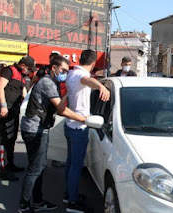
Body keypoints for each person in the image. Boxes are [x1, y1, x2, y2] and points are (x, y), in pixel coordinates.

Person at [18, 55, 86, 213]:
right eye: (62, 70)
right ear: (54, 68)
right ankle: (24, 205)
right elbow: (61, 108)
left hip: (36, 127)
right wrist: (82, 118)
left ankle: (38, 201)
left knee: (38, 167)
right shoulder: (48, 82)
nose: (64, 73)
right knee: (36, 168)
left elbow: (57, 108)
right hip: (36, 129)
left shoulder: (51, 82)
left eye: (67, 71)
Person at [64, 49, 110, 212]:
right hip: (79, 126)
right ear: (92, 63)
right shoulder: (80, 75)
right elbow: (86, 80)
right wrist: (100, 86)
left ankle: (69, 194)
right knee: (76, 165)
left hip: (69, 124)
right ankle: (72, 203)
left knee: (70, 164)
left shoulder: (71, 73)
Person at [0, 56, 36, 181]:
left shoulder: (21, 75)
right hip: (6, 110)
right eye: (29, 69)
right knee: (5, 138)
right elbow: (0, 88)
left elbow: (24, 92)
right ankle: (3, 170)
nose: (29, 72)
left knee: (12, 138)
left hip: (14, 110)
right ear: (23, 65)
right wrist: (3, 106)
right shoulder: (9, 71)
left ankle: (11, 164)